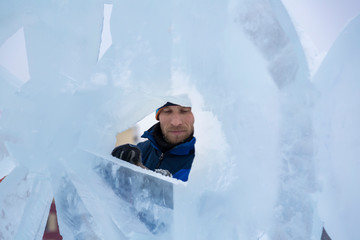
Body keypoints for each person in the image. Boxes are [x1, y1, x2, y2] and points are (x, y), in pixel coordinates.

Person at [111, 101, 196, 182]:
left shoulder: (203, 163)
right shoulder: (140, 150)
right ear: (158, 116)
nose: (176, 122)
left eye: (184, 111)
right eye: (167, 111)